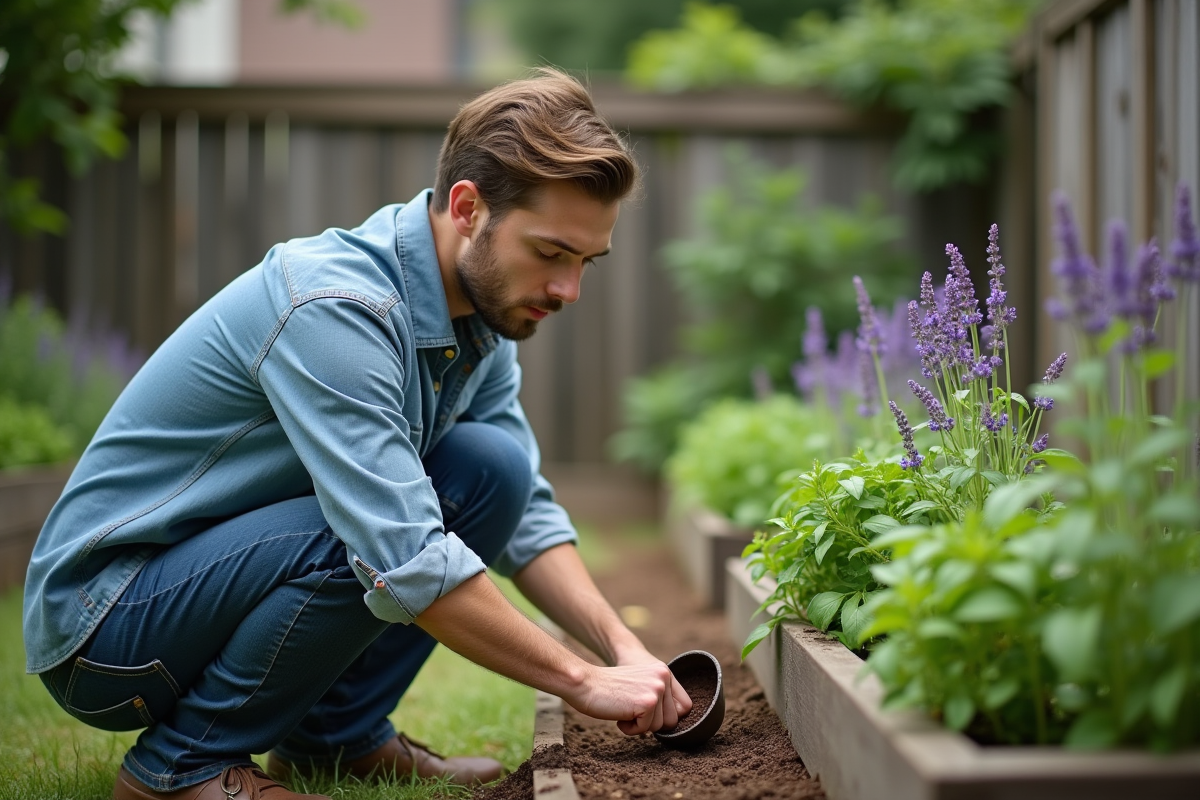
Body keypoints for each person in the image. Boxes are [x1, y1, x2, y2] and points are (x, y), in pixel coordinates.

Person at [22, 68, 691, 800]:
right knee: (374, 530)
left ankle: (332, 741)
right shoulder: (338, 308)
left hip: (196, 592)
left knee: (488, 468)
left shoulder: (481, 319)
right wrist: (583, 681)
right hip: (107, 626)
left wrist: (622, 647)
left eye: (586, 262)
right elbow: (402, 554)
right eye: (552, 253)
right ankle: (183, 770)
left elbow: (522, 510)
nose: (569, 291)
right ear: (468, 208)